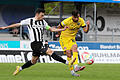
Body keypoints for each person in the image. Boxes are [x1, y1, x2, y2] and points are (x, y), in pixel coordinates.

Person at [0, 8, 76, 76]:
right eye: (42, 15)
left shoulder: (43, 22)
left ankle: (19, 68)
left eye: (43, 16)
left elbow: (51, 29)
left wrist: (62, 30)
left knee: (33, 61)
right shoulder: (29, 21)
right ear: (37, 14)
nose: (43, 17)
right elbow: (18, 24)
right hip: (34, 43)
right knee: (50, 51)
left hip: (41, 43)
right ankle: (68, 62)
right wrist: (5, 27)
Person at [56, 10, 89, 77]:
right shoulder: (67, 21)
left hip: (72, 38)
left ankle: (76, 66)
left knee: (75, 47)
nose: (76, 19)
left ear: (79, 15)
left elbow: (85, 31)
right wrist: (59, 34)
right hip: (64, 38)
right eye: (75, 17)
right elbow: (59, 26)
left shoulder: (81, 21)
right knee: (68, 53)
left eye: (77, 17)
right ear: (72, 16)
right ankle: (72, 71)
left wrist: (88, 25)